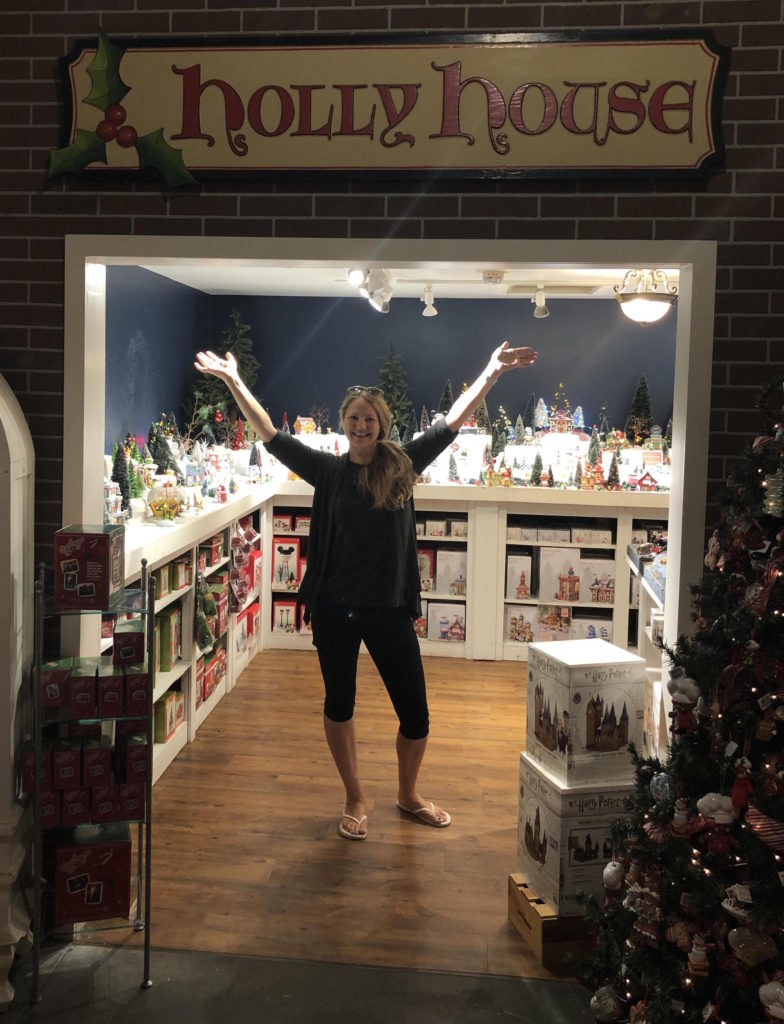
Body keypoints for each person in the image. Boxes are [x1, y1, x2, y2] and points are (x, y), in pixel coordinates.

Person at [194, 340, 537, 840]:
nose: (361, 427)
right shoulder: (329, 472)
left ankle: (407, 793)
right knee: (340, 703)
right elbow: (269, 433)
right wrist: (233, 381)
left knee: (416, 715)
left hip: (390, 610)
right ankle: (355, 795)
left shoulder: (403, 463)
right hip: (335, 609)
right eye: (354, 418)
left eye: (369, 419)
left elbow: (453, 423)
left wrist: (490, 372)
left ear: (382, 425)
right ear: (344, 423)